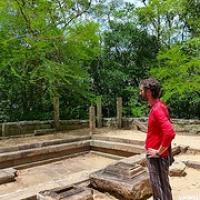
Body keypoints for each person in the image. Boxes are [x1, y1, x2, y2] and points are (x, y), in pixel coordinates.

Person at [139, 78, 176, 200]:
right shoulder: (160, 105)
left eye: (141, 90)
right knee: (164, 186)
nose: (140, 93)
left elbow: (170, 132)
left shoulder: (157, 109)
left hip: (157, 157)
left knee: (158, 187)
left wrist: (159, 151)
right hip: (160, 155)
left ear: (148, 92)